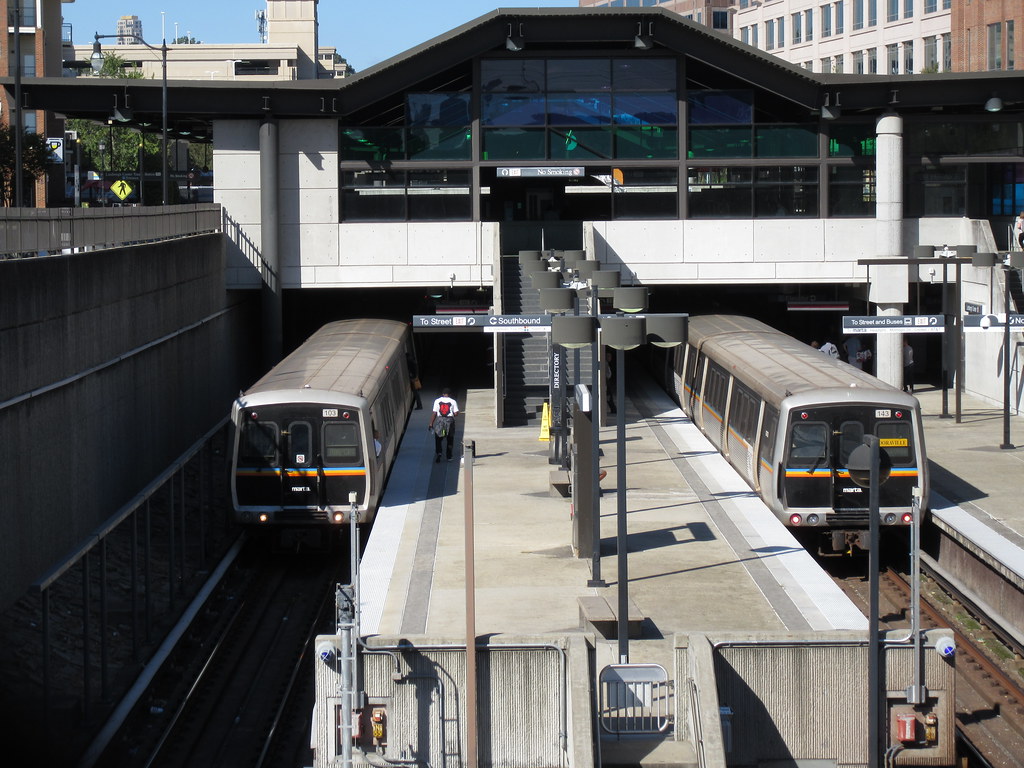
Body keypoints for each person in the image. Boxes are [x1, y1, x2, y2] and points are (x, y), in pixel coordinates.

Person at [428, 387, 459, 463]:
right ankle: (449, 456)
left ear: (443, 394)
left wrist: (431, 424)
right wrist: (453, 414)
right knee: (449, 439)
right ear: (450, 394)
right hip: (449, 422)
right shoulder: (453, 401)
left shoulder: (437, 401)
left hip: (441, 422)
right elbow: (456, 413)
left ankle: (439, 453)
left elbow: (434, 413)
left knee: (439, 438)